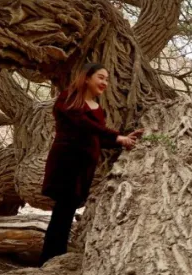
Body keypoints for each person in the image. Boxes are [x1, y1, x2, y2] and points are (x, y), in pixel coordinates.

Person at [40, 63, 143, 263]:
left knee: (67, 211)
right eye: (101, 77)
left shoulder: (98, 109)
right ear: (87, 77)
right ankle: (49, 258)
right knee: (62, 210)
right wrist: (117, 137)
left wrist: (123, 141)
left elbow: (99, 137)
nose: (105, 82)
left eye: (107, 79)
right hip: (66, 164)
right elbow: (83, 125)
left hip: (83, 167)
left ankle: (55, 256)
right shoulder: (69, 99)